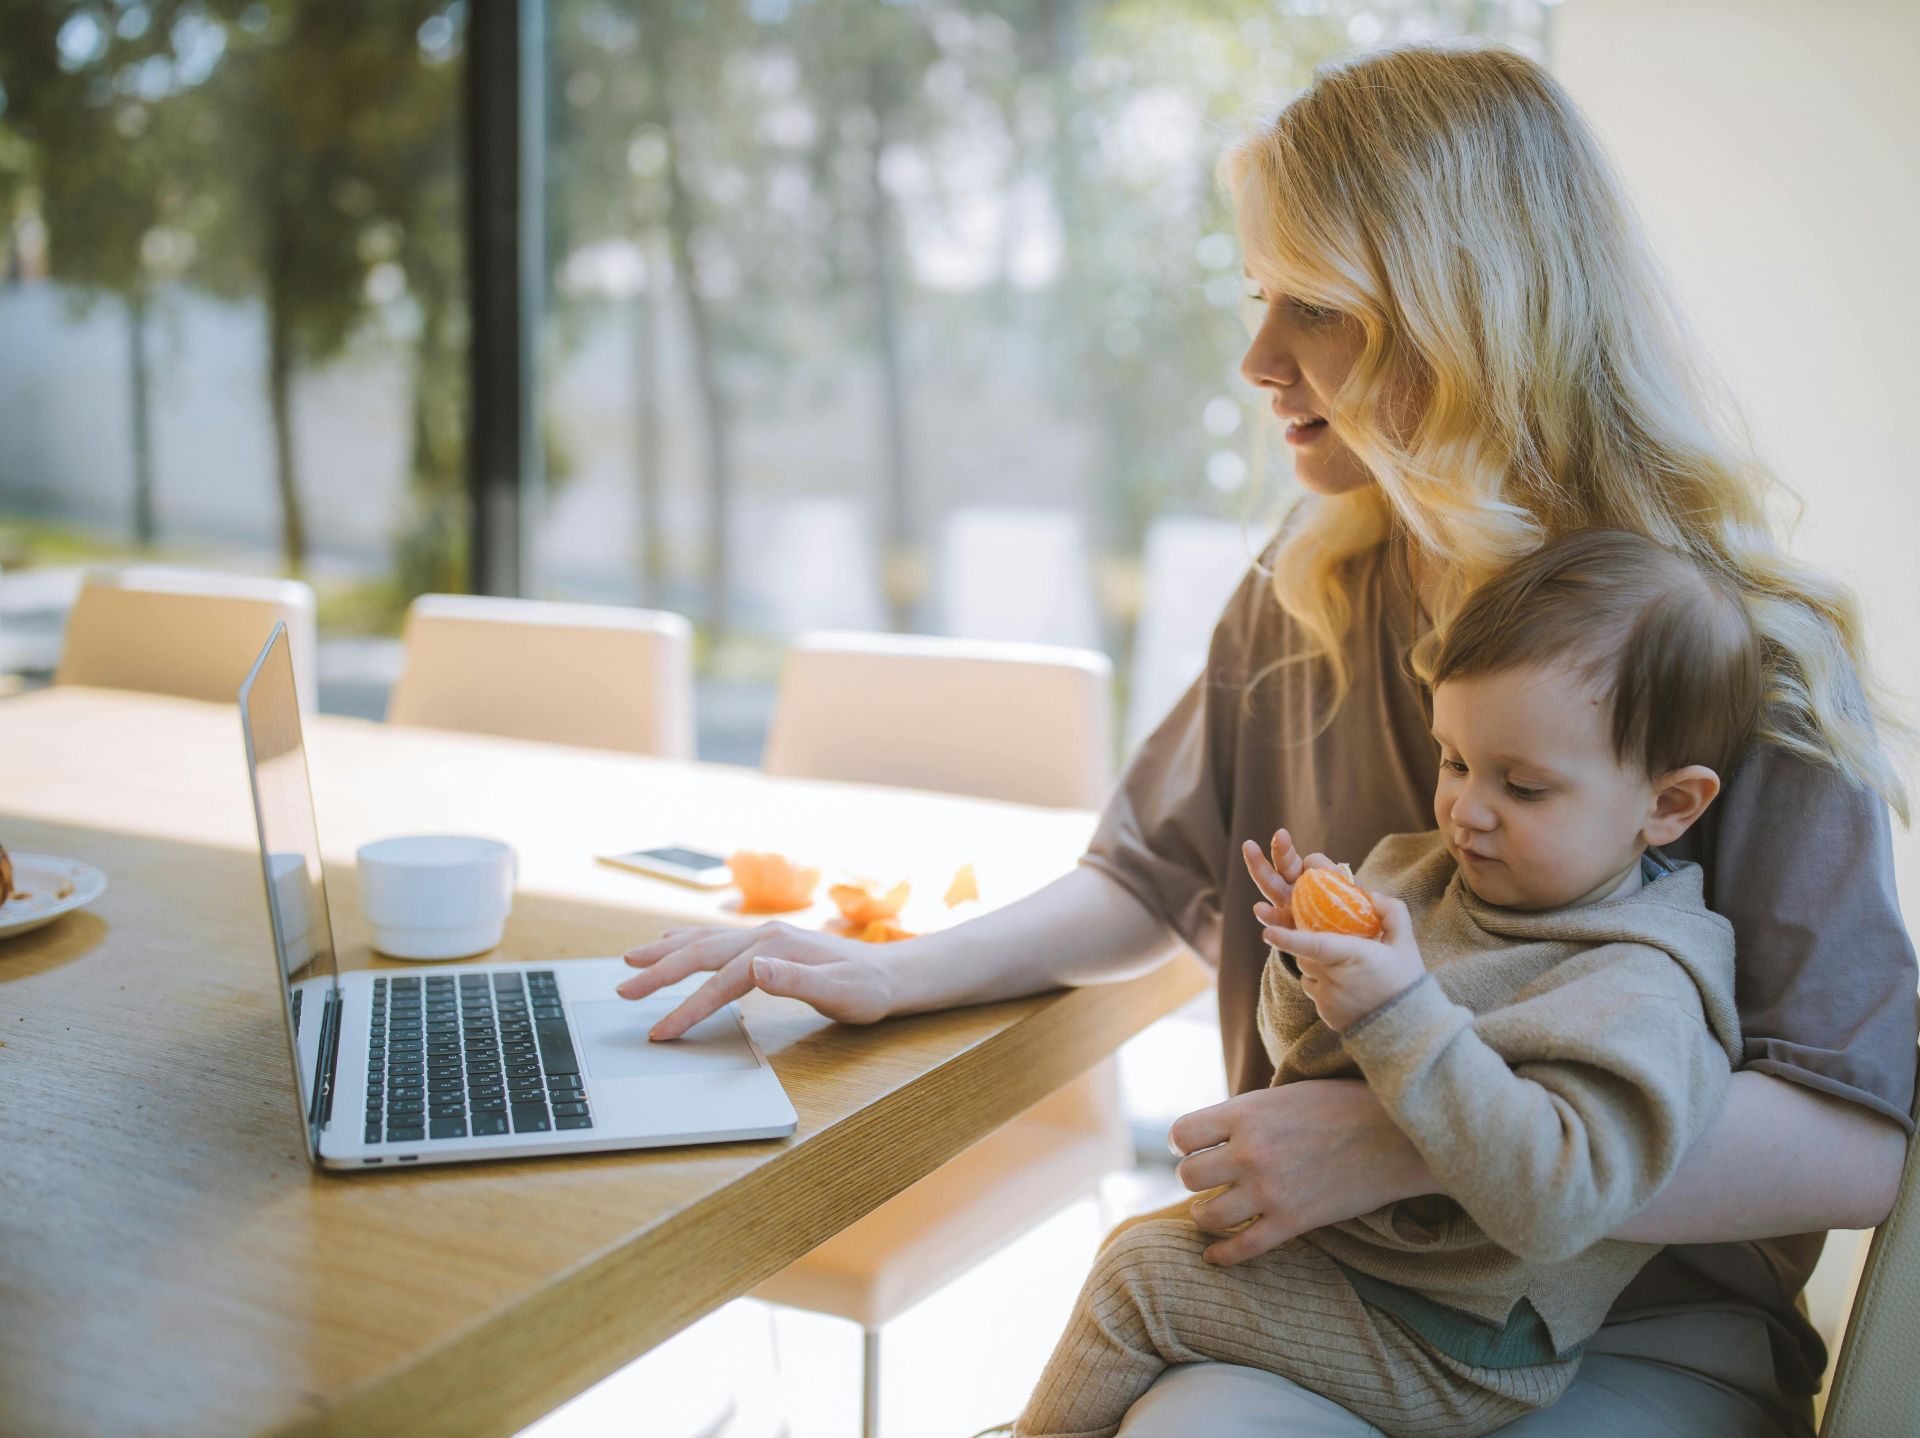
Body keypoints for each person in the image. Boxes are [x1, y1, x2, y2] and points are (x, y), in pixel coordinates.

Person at [615, 43, 1915, 1436]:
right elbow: (1149, 876)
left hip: (1635, 1330)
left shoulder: (1737, 656)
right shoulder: (1314, 583)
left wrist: (1402, 1138)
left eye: (1318, 308)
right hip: (1350, 1285)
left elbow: (1852, 1142)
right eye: (1258, 299)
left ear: (1467, 315)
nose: (1257, 359)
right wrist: (899, 969)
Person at [1013, 529, 1755, 1437]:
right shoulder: (1425, 872)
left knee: (1139, 1282)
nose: (1466, 811)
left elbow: (1560, 1200)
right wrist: (1310, 962)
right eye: (1455, 761)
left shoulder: (1643, 982)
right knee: (1146, 1251)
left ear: (1669, 805)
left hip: (1461, 1340)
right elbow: (1310, 1060)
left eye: (1523, 788)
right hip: (1362, 1268)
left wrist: (1400, 1011)